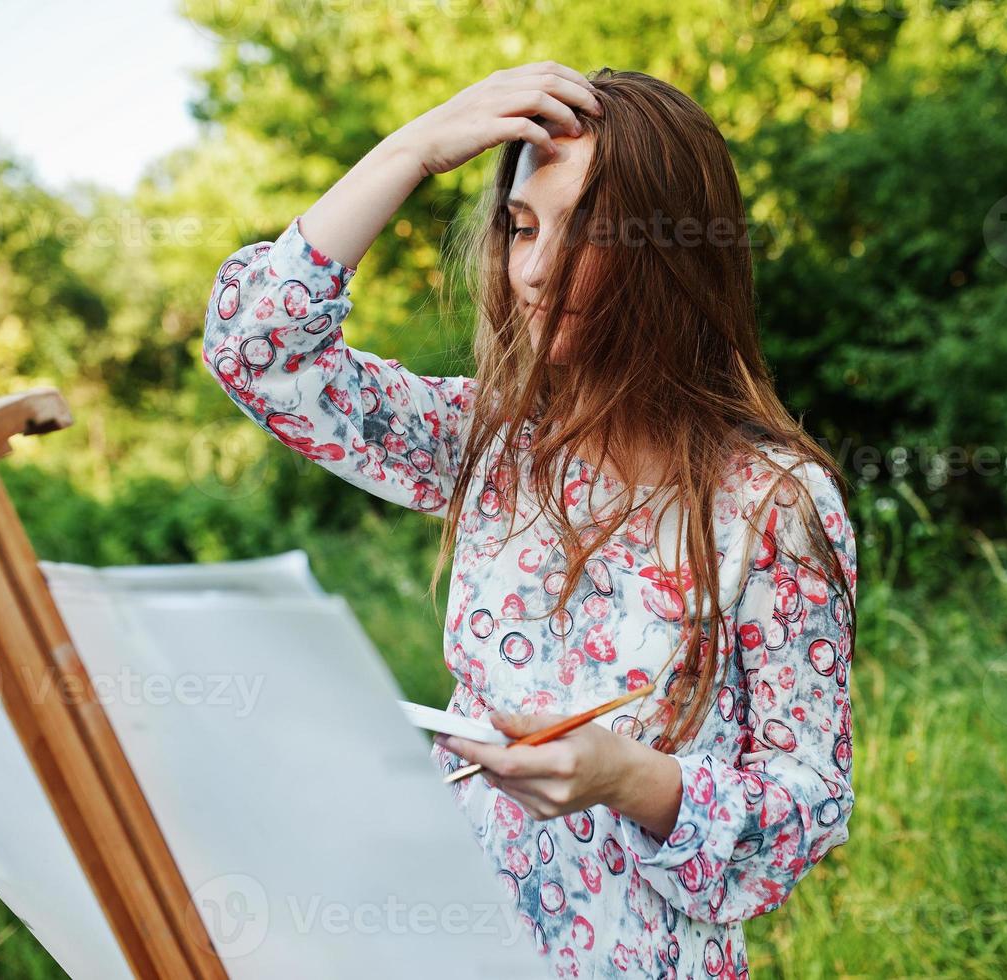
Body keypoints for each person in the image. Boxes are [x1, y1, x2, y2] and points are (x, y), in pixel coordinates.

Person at [202, 62, 858, 980]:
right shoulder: (488, 442)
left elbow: (810, 805)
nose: (535, 267)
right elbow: (254, 350)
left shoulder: (772, 502)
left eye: (584, 231)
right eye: (519, 227)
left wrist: (626, 778)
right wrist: (413, 149)